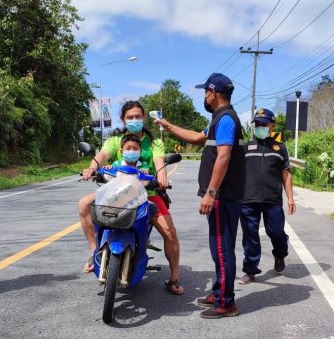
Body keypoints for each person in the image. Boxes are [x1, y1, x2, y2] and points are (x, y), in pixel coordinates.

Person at [157, 72, 245, 318]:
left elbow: (224, 156)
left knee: (222, 247)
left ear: (213, 93)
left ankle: (226, 302)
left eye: (205, 92)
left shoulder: (226, 119)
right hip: (222, 196)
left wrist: (211, 193)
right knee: (218, 247)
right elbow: (197, 137)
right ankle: (219, 292)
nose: (204, 97)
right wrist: (169, 126)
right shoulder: (219, 119)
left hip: (223, 196)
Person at [79, 101, 184, 295]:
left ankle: (174, 276)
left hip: (147, 193)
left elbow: (159, 162)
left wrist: (162, 178)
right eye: (130, 117)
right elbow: (101, 156)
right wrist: (91, 168)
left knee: (170, 232)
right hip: (116, 191)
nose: (134, 120)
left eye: (138, 116)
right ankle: (94, 252)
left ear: (144, 118)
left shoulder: (154, 142)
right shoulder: (114, 140)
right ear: (123, 119)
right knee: (84, 204)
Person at [238, 108, 296, 284]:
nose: (260, 127)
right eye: (257, 124)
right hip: (248, 200)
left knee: (277, 233)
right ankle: (250, 270)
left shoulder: (280, 148)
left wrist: (290, 198)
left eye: (264, 124)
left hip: (273, 201)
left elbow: (286, 174)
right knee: (250, 236)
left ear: (272, 125)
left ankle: (280, 255)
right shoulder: (246, 148)